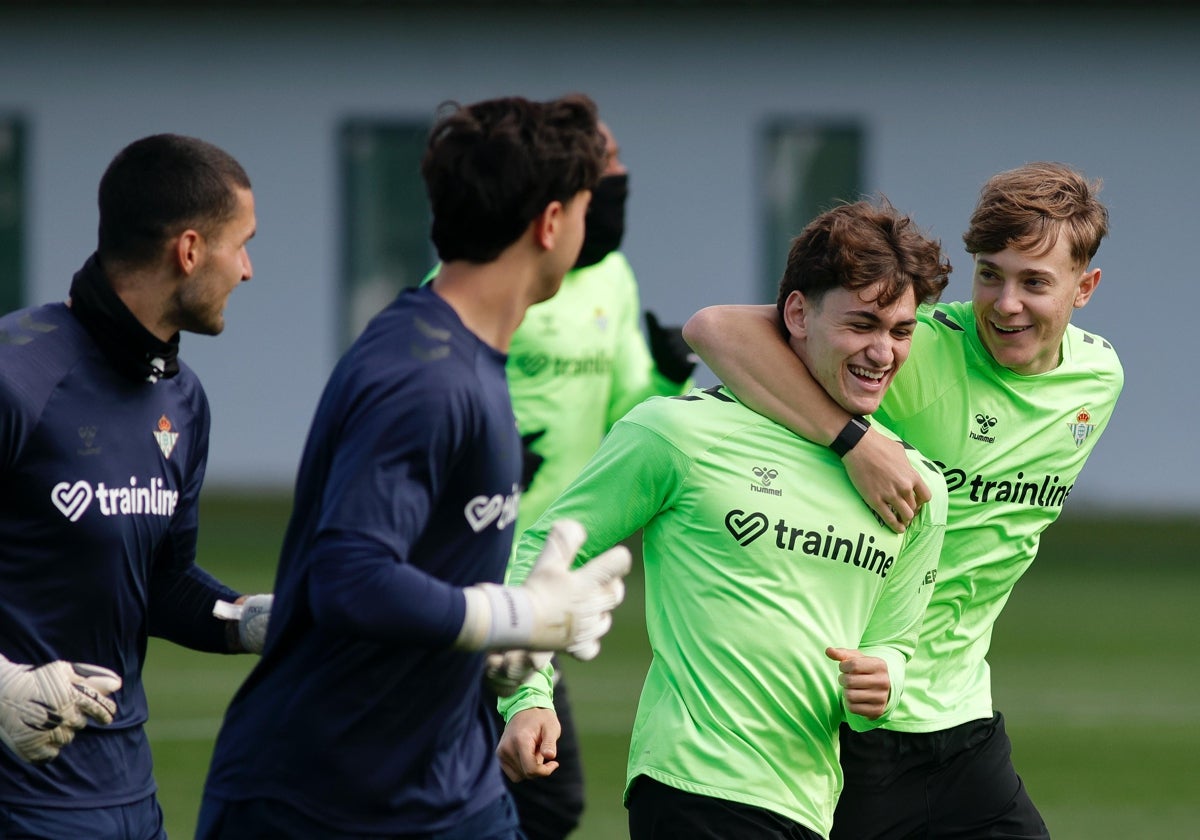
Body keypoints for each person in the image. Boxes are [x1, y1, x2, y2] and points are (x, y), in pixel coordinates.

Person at [197, 93, 633, 840]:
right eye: (588, 206)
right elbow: (351, 577)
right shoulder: (423, 374)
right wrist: (518, 614)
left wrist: (508, 654)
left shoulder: (469, 355)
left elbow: (426, 580)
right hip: (319, 802)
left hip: (446, 788)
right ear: (552, 223)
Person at [683, 162, 1122, 838]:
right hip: (853, 719)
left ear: (1084, 288)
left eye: (1034, 282)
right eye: (990, 274)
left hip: (964, 719)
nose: (1005, 304)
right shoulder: (914, 346)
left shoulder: (1099, 379)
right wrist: (853, 440)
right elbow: (714, 329)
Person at [498, 198, 952, 840]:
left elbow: (895, 643)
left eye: (901, 331)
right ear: (797, 313)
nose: (882, 352)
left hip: (811, 804)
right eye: (861, 324)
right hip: (691, 784)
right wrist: (526, 697)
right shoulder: (675, 433)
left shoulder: (914, 488)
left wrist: (888, 676)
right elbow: (542, 549)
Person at [0, 133, 273, 839]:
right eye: (239, 244)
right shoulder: (17, 377)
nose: (248, 271)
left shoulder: (182, 401)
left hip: (129, 803)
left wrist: (251, 622)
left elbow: (160, 584)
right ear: (188, 250)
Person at [500, 117, 695, 840]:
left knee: (539, 796)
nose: (619, 178)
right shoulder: (496, 274)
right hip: (475, 564)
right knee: (532, 795)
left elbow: (628, 414)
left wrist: (669, 379)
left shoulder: (612, 274)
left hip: (552, 565)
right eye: (605, 166)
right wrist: (483, 452)